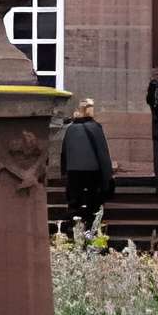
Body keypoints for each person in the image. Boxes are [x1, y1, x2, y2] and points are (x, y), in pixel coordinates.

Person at [61, 99, 113, 238]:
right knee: (93, 204)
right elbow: (102, 153)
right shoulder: (95, 127)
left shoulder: (70, 128)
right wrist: (108, 176)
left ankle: (73, 232)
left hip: (73, 172)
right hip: (92, 172)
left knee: (75, 203)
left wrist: (64, 172)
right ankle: (92, 232)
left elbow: (64, 152)